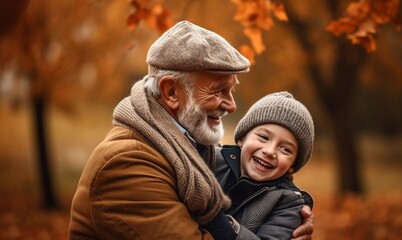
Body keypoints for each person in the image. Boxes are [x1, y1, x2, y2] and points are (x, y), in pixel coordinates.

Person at [68, 20, 313, 240]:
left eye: (232, 91)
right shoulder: (129, 162)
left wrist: (289, 213)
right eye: (218, 91)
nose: (232, 105)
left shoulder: (188, 148)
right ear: (171, 92)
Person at [216, 91, 315, 239]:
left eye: (285, 149)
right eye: (263, 137)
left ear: (292, 165)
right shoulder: (211, 160)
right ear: (242, 138)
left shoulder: (288, 203)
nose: (270, 151)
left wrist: (219, 222)